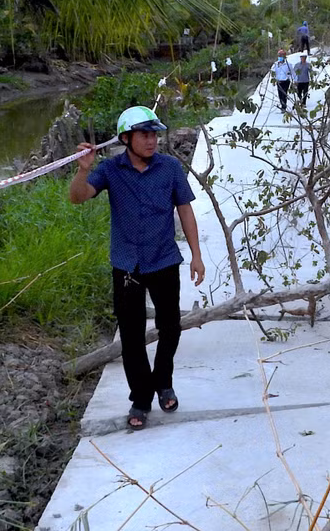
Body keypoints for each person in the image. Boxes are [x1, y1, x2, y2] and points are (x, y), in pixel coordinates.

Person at [69, 105, 205, 431]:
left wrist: (197, 256)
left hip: (164, 259)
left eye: (154, 134)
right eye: (144, 134)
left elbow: (185, 211)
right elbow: (78, 197)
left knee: (170, 327)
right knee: (131, 337)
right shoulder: (111, 170)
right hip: (127, 264)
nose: (152, 141)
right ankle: (141, 398)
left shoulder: (170, 168)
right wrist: (82, 170)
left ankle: (164, 382)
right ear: (127, 138)